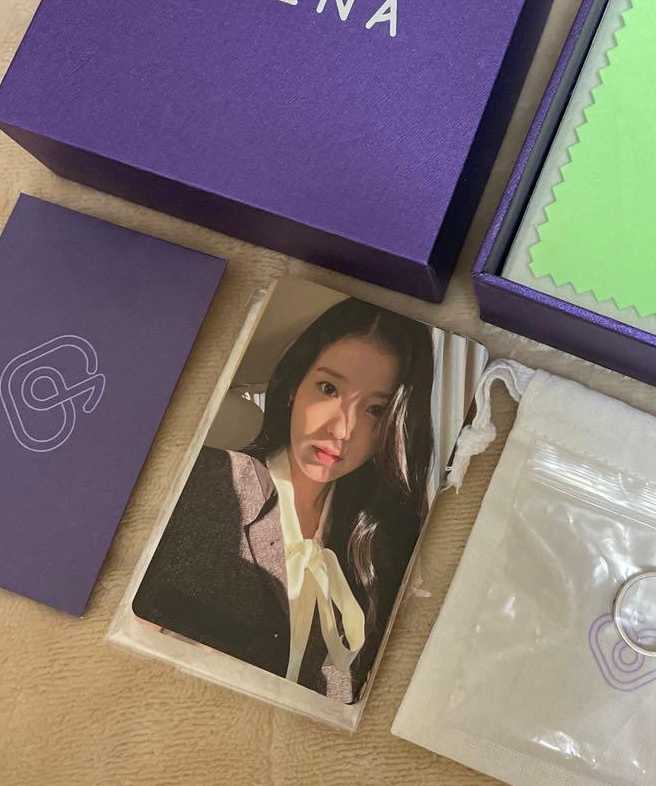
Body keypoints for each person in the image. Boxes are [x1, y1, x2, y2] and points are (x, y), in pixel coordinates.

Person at [133, 298, 435, 703]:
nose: (341, 429)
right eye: (328, 389)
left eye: (375, 410)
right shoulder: (209, 481)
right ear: (295, 386)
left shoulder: (378, 547)